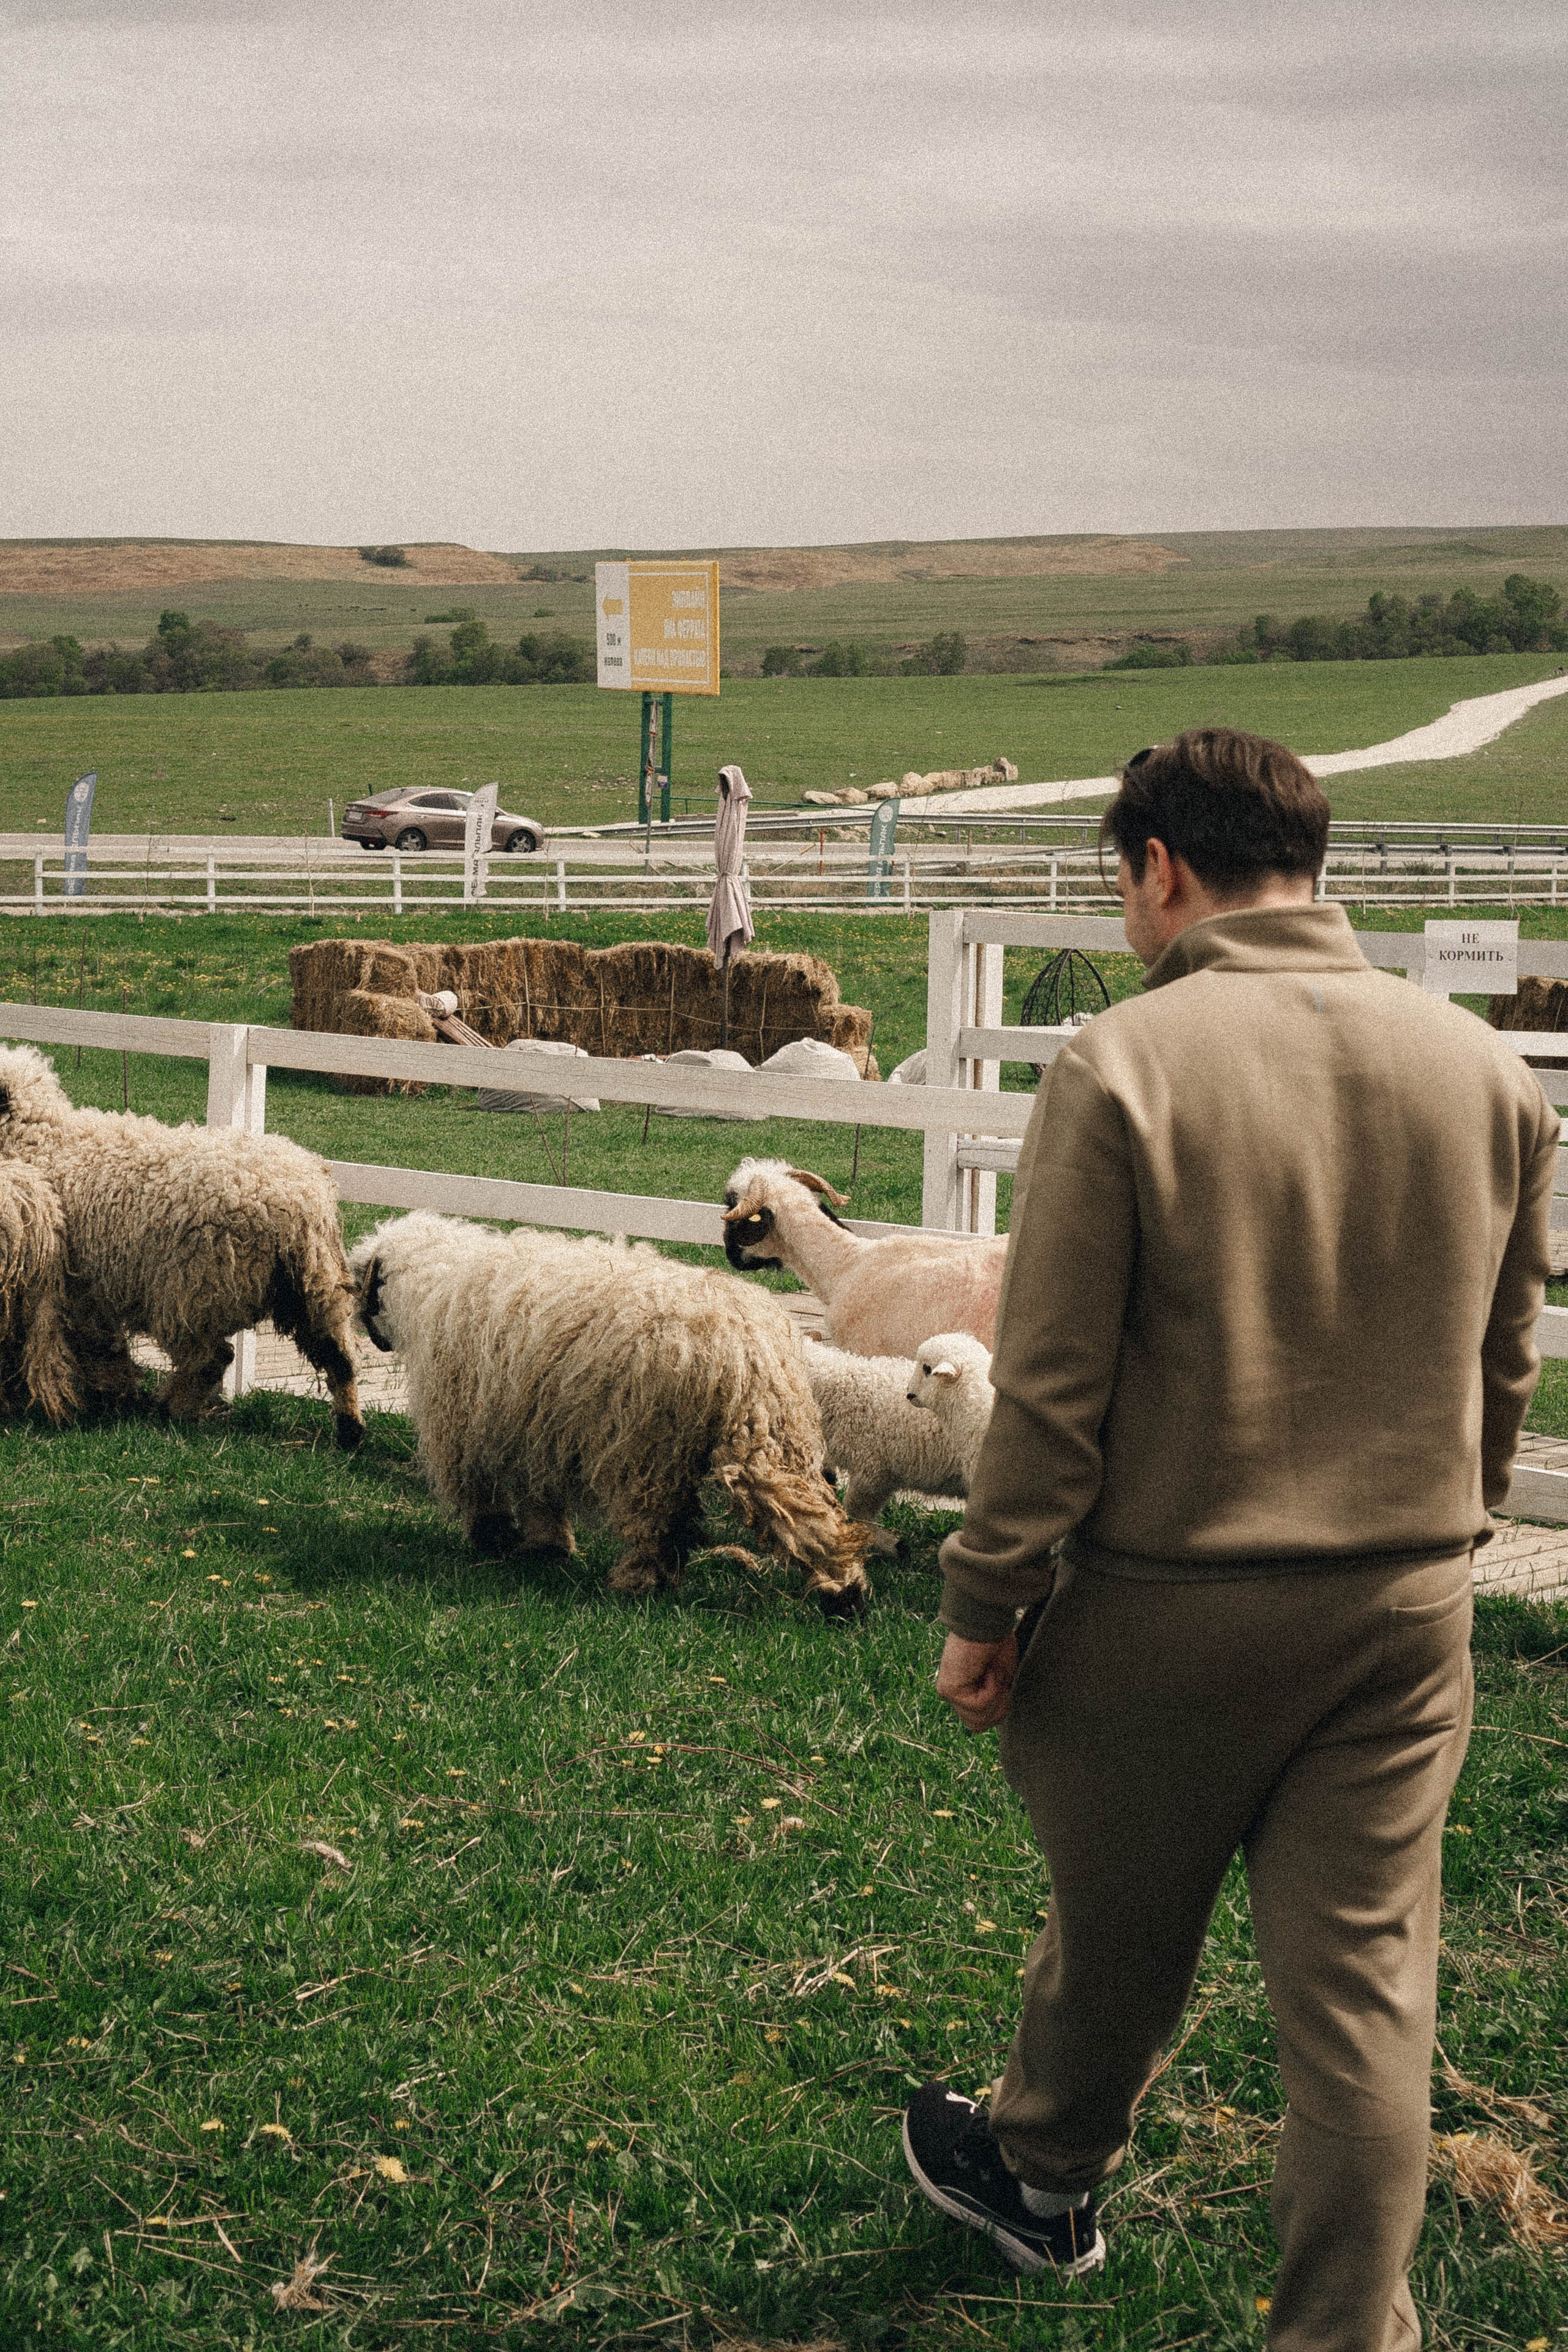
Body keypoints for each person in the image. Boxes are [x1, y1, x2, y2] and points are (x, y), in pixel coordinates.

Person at [899, 728, 1559, 2351]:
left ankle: (1044, 2173)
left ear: (1160, 871)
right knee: (1362, 1999)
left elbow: (1051, 1392)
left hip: (1168, 1597)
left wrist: (989, 1597)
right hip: (1404, 1609)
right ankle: (1347, 2333)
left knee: (1123, 1917)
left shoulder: (1121, 1063)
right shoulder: (1481, 1068)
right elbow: (1505, 1352)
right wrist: (1449, 1519)